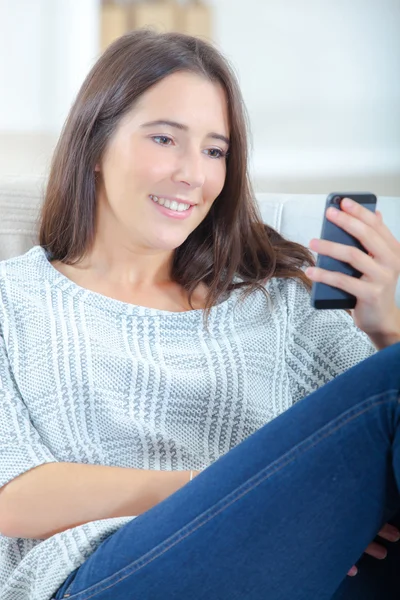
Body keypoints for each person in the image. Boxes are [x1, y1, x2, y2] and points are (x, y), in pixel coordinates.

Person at [0, 29, 399, 600]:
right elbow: (12, 497)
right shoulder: (11, 300)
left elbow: (364, 435)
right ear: (94, 145)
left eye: (215, 150)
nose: (194, 173)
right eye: (165, 139)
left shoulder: (274, 294)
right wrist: (247, 499)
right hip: (106, 575)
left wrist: (385, 326)